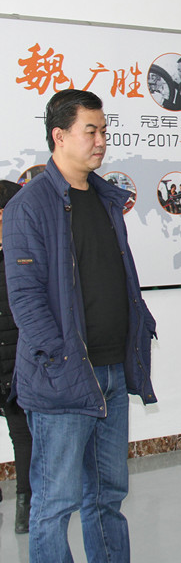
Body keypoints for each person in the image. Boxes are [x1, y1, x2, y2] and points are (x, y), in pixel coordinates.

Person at [3, 89, 157, 563]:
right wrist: (62, 359)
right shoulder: (30, 206)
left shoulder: (106, 198)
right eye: (91, 131)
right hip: (63, 377)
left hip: (111, 371)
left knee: (108, 497)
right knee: (55, 504)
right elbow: (26, 299)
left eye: (104, 130)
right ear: (59, 135)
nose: (101, 140)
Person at [0, 180, 33, 533]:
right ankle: (26, 508)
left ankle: (26, 507)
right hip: (13, 360)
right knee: (22, 436)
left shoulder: (21, 254)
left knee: (22, 436)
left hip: (17, 363)